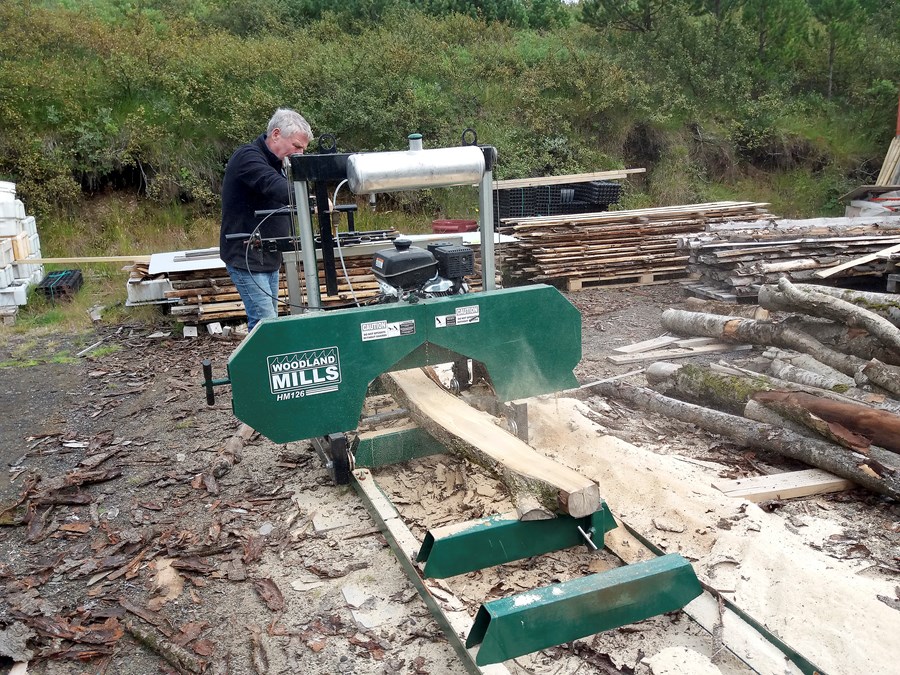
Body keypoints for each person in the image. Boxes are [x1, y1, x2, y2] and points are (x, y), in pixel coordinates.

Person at [220, 108, 312, 331]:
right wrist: (311, 200)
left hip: (269, 256)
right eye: (296, 146)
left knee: (270, 322)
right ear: (276, 134)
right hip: (247, 257)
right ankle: (262, 355)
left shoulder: (279, 163)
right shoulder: (248, 157)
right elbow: (271, 184)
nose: (299, 154)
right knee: (265, 325)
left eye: (303, 149)